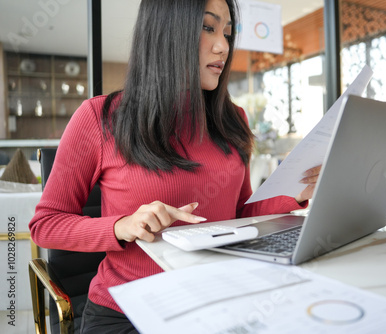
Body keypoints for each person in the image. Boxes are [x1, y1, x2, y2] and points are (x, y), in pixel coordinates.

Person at [29, 0, 320, 332]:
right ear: (167, 32)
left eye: (227, 32)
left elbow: (238, 215)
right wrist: (121, 226)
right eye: (208, 27)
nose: (223, 46)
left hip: (215, 301)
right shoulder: (100, 117)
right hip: (128, 312)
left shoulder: (232, 120)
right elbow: (45, 225)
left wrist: (297, 192)